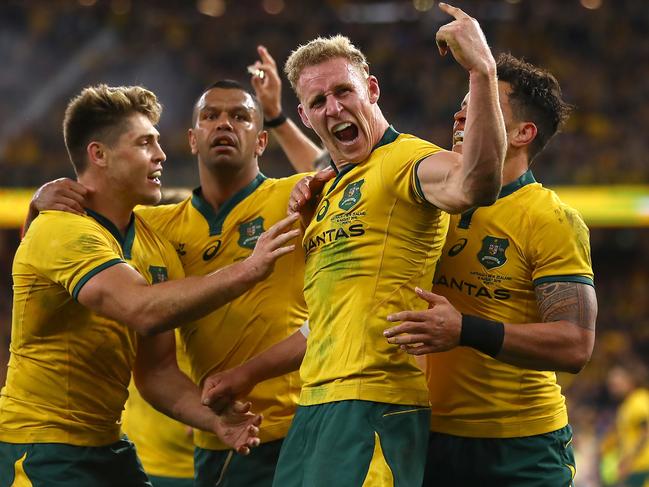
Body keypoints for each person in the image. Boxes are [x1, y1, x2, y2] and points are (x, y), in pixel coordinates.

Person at [205, 4, 506, 485]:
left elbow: (474, 186)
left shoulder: (409, 160)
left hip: (375, 406)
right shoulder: (332, 189)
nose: (334, 107)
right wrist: (247, 374)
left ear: (372, 89)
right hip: (316, 405)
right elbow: (327, 324)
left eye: (344, 90)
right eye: (319, 101)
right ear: (305, 115)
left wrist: (482, 73)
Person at [26, 47, 324, 487]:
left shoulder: (295, 198)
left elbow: (340, 170)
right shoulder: (154, 226)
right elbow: (55, 246)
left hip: (296, 427)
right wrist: (38, 200)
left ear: (261, 141)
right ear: (191, 139)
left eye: (241, 117)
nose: (224, 123)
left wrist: (278, 117)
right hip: (212, 438)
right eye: (211, 117)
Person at [382, 53, 597, 486]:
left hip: (518, 449)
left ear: (522, 133)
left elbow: (575, 345)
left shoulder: (549, 218)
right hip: (425, 437)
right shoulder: (430, 200)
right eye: (464, 102)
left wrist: (464, 329)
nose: (462, 112)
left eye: (482, 103)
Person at [603, 355, 649, 486]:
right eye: (610, 383)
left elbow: (646, 433)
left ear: (630, 380)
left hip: (643, 467)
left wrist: (628, 461)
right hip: (635, 468)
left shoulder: (639, 400)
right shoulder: (626, 405)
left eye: (616, 382)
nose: (612, 386)